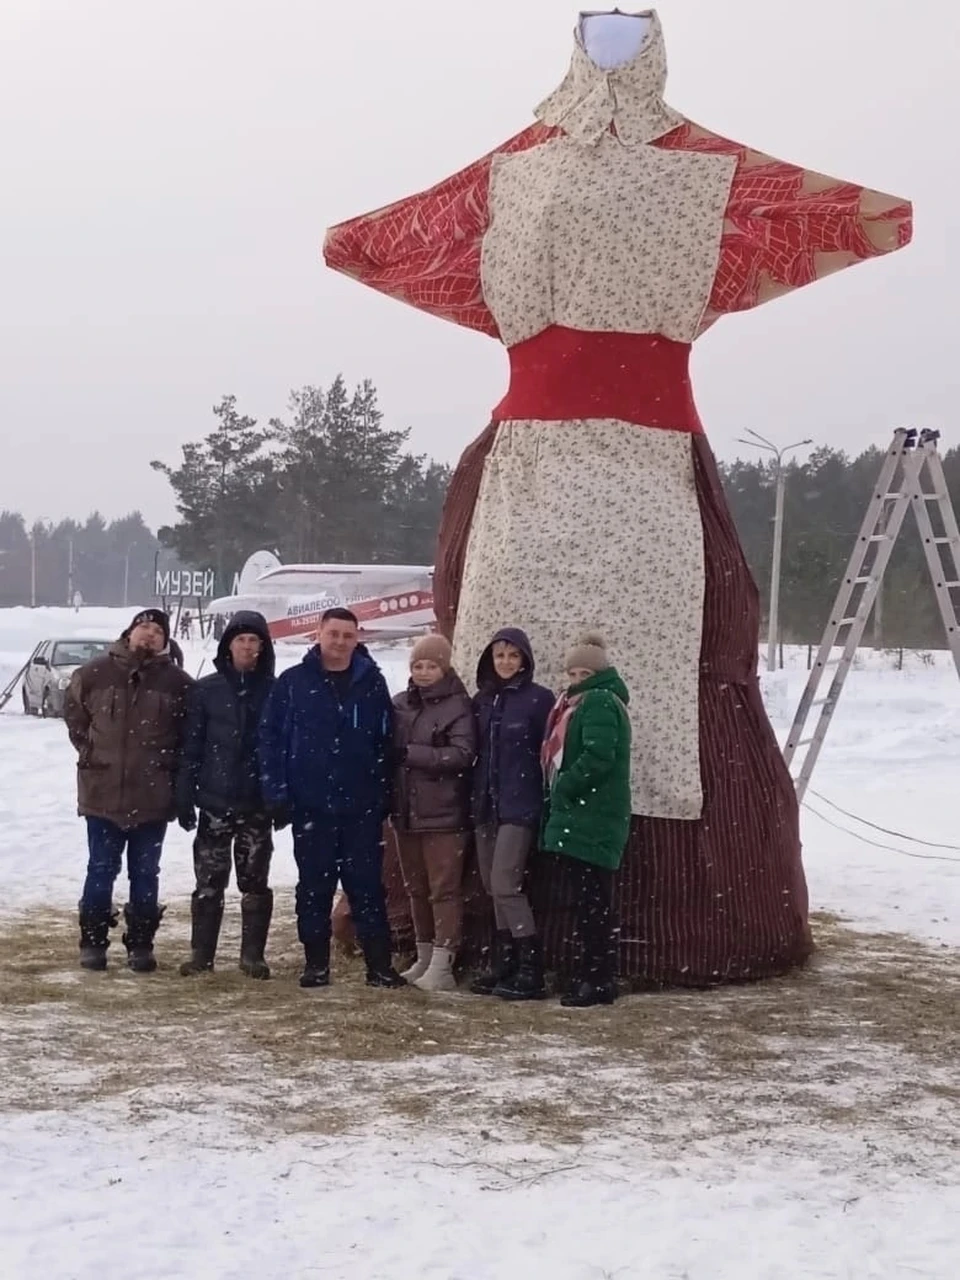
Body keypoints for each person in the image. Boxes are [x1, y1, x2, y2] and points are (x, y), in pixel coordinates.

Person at [324, 11, 911, 987]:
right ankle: (480, 924)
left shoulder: (707, 166)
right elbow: (402, 232)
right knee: (495, 652)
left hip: (653, 466)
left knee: (673, 664)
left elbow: (837, 215)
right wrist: (354, 241)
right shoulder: (523, 163)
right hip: (529, 465)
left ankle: (640, 923)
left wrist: (889, 216)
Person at [259, 607, 405, 990]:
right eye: (334, 634)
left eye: (348, 636)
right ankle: (317, 964)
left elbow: (387, 743)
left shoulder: (372, 683)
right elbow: (270, 740)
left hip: (361, 807)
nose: (340, 642)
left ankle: (378, 965)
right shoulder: (293, 683)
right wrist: (277, 792)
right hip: (312, 806)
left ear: (357, 639)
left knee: (367, 888)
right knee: (314, 888)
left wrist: (385, 793)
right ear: (318, 634)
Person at [64, 609, 192, 972]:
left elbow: (187, 738)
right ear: (130, 632)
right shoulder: (94, 673)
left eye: (157, 631)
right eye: (143, 628)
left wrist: (167, 770)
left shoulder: (179, 683)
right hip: (102, 795)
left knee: (146, 873)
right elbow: (75, 717)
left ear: (165, 640)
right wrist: (92, 753)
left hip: (152, 799)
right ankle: (92, 941)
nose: (149, 635)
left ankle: (141, 943)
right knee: (100, 870)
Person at [176, 611, 277, 979]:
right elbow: (191, 746)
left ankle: (253, 957)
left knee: (254, 883)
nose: (247, 647)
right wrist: (184, 796)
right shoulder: (206, 690)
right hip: (215, 801)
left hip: (257, 803)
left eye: (254, 641)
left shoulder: (274, 690)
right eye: (240, 640)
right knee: (208, 883)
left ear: (263, 648)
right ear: (228, 646)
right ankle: (201, 955)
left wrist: (279, 797)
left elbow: (282, 747)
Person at [541, 633, 631, 1008]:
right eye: (573, 671)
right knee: (587, 900)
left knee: (592, 902)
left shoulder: (596, 702)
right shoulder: (580, 702)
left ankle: (598, 978)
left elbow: (598, 756)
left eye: (584, 671)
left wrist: (563, 786)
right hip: (583, 815)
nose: (576, 677)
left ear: (599, 672)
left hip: (590, 814)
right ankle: (592, 973)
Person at [470, 628, 554, 1002]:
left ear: (525, 661)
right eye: (499, 655)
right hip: (485, 804)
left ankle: (531, 968)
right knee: (491, 887)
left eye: (513, 656)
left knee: (506, 884)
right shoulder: (482, 700)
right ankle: (505, 962)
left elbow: (549, 754)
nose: (505, 662)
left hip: (520, 805)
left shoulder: (539, 700)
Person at [390, 635, 476, 992]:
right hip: (406, 812)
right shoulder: (400, 705)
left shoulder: (458, 707)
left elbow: (462, 755)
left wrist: (412, 754)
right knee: (416, 888)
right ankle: (423, 954)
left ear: (445, 667)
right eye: (417, 666)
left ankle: (444, 961)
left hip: (443, 813)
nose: (423, 673)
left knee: (444, 889)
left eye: (431, 666)